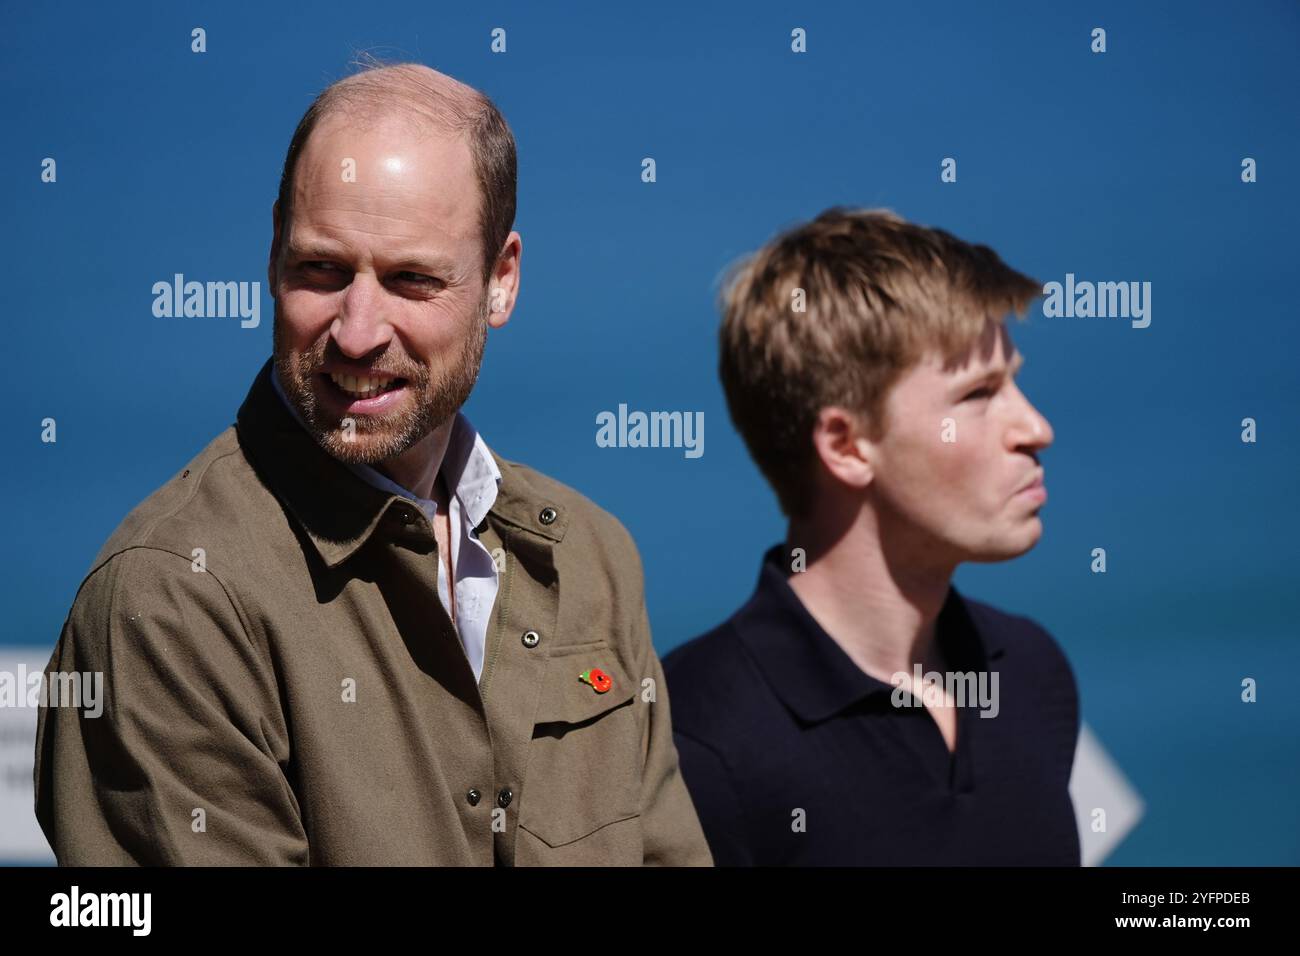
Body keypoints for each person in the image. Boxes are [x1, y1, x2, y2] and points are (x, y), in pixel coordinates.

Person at [34, 60, 711, 866]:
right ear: (273, 248)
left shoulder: (592, 562)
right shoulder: (171, 603)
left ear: (501, 281)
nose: (357, 331)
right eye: (321, 269)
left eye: (411, 280)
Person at [663, 208, 1080, 865]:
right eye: (978, 394)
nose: (1036, 427)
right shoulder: (695, 742)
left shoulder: (1031, 673)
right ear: (846, 445)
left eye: (1016, 383)